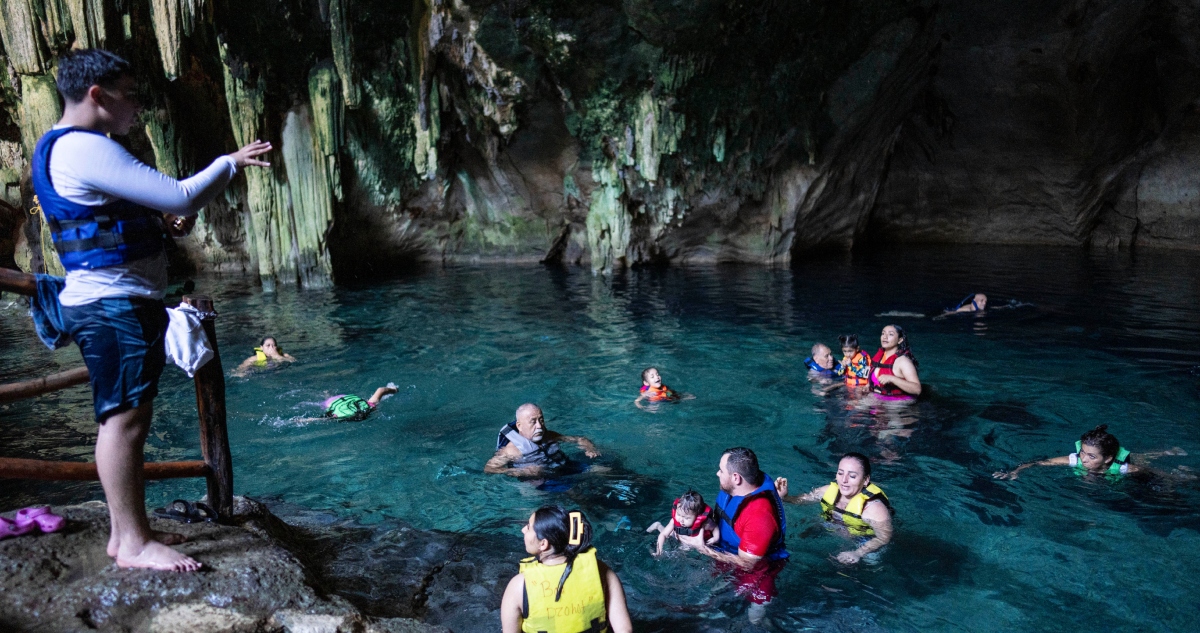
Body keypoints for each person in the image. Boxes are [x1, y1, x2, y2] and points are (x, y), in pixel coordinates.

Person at [32, 49, 271, 571]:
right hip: (111, 306)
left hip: (113, 301)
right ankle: (134, 543)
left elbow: (113, 216)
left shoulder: (69, 148)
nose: (139, 105)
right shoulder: (85, 148)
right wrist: (228, 164)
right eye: (131, 93)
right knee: (124, 423)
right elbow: (182, 196)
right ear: (98, 95)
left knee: (126, 419)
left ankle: (125, 536)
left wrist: (158, 226)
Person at [676, 448, 787, 623]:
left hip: (758, 572)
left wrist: (702, 548)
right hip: (727, 553)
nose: (717, 473)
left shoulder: (759, 515)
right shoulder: (732, 491)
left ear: (736, 478)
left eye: (721, 470)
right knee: (700, 603)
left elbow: (748, 564)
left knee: (754, 618)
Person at [500, 506, 632, 633]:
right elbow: (624, 629)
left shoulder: (518, 586)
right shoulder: (601, 570)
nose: (523, 530)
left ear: (543, 544)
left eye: (528, 528)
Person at [775, 452, 894, 564]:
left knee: (871, 561)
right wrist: (785, 497)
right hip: (830, 525)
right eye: (840, 473)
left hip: (861, 538)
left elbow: (884, 538)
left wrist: (858, 553)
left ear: (865, 480)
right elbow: (804, 499)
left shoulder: (873, 508)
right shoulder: (827, 490)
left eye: (852, 476)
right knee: (797, 539)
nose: (844, 480)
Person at [992, 424, 1186, 480]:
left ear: (1107, 458)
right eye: (1083, 452)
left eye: (1091, 456)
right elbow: (1040, 462)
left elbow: (1154, 472)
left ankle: (1167, 452)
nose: (1083, 459)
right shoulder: (1076, 460)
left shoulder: (1123, 469)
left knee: (1141, 459)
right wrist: (1015, 471)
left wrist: (1175, 479)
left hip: (1121, 462)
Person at [485, 404, 601, 477]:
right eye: (533, 421)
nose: (539, 426)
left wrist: (589, 448)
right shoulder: (511, 450)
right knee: (578, 495)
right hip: (542, 481)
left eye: (541, 420)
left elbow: (579, 439)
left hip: (566, 468)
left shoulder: (549, 436)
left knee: (606, 471)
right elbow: (489, 469)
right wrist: (521, 472)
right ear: (519, 426)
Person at [645, 490, 719, 556]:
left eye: (686, 518)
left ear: (697, 516)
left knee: (683, 551)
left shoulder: (705, 524)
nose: (681, 520)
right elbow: (663, 534)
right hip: (677, 535)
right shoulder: (674, 521)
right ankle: (658, 525)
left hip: (689, 541)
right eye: (679, 514)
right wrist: (659, 551)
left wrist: (715, 538)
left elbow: (715, 527)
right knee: (669, 536)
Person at [870, 325, 921, 400]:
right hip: (878, 397)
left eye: (890, 334)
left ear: (900, 340)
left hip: (896, 402)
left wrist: (892, 379)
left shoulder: (903, 361)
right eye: (883, 333)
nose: (885, 337)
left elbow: (917, 389)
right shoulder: (879, 356)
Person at [321, 384, 398, 421]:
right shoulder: (370, 405)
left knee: (329, 399)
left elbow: (381, 390)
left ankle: (326, 393)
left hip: (345, 398)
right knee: (329, 400)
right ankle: (327, 394)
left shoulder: (370, 405)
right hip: (332, 402)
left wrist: (393, 389)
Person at [232, 336, 297, 376]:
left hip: (279, 373)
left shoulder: (284, 355)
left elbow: (294, 361)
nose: (271, 348)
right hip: (262, 374)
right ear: (261, 347)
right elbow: (242, 367)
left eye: (273, 345)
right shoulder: (254, 358)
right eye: (268, 345)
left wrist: (277, 356)